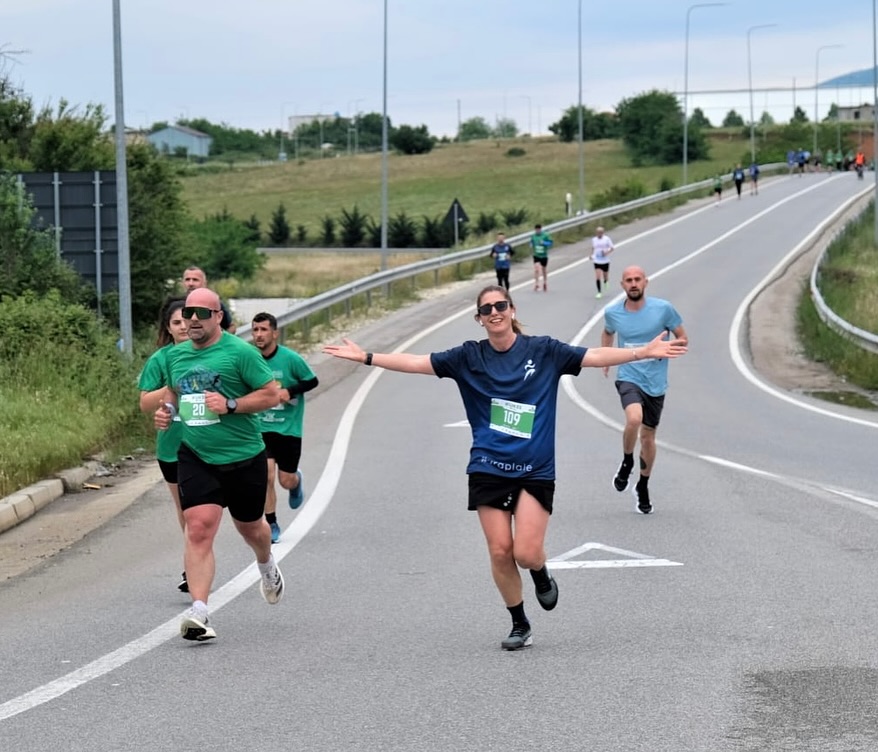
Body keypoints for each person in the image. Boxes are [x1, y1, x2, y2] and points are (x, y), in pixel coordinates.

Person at [322, 285, 686, 651]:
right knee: (499, 550)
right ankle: (519, 623)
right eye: (486, 309)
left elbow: (592, 355)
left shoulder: (543, 351)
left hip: (535, 467)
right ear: (479, 319)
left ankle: (540, 572)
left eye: (500, 305)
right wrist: (366, 356)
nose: (494, 312)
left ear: (512, 310)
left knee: (526, 553)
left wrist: (642, 351)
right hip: (488, 464)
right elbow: (418, 363)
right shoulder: (468, 357)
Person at [155, 287, 283, 642]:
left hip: (243, 456)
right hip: (196, 454)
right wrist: (166, 413)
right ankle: (199, 611)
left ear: (218, 317)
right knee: (198, 526)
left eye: (202, 313)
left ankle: (266, 564)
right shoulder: (174, 356)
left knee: (251, 528)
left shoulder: (240, 353)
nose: (193, 320)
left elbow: (271, 394)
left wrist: (230, 405)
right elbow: (173, 393)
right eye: (188, 313)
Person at [602, 266, 688, 515]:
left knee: (648, 437)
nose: (633, 283)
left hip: (656, 382)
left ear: (645, 282)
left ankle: (643, 485)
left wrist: (667, 348)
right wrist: (606, 358)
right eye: (628, 280)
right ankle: (627, 460)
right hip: (628, 376)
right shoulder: (613, 313)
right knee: (634, 418)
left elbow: (683, 338)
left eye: (637, 279)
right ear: (622, 285)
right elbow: (607, 333)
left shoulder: (663, 309)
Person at [251, 312, 319, 544]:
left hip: (288, 429)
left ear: (275, 333)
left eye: (263, 330)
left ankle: (296, 482)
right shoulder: (250, 358)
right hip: (261, 427)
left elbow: (312, 380)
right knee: (267, 475)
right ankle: (271, 523)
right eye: (255, 330)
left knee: (285, 480)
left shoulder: (290, 359)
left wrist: (289, 392)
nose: (259, 335)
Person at [138, 297, 190, 593]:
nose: (183, 326)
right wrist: (170, 389)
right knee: (186, 508)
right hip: (172, 446)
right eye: (176, 322)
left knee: (198, 511)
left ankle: (194, 561)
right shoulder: (161, 359)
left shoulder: (208, 354)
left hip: (209, 444)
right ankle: (191, 565)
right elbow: (145, 403)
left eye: (186, 319)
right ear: (168, 329)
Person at [181, 266, 237, 333]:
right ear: (183, 283)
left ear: (204, 283)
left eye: (195, 280)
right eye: (187, 279)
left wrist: (220, 341)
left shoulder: (214, 303)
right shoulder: (176, 305)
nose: (191, 283)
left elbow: (231, 327)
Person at [589, 226, 615, 299]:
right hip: (597, 260)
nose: (599, 234)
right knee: (597, 277)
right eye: (598, 232)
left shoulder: (607, 239)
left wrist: (606, 252)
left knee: (605, 276)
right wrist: (591, 255)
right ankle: (599, 292)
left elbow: (612, 248)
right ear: (596, 233)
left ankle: (606, 281)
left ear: (603, 233)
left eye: (601, 232)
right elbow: (593, 248)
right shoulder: (594, 239)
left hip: (605, 260)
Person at [529, 224, 552, 292]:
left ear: (540, 229)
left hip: (544, 255)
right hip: (536, 255)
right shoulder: (533, 236)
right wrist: (531, 244)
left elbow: (550, 243)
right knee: (536, 269)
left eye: (538, 230)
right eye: (536, 230)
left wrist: (544, 243)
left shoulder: (545, 235)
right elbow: (531, 242)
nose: (537, 231)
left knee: (543, 269)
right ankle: (537, 284)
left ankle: (545, 282)